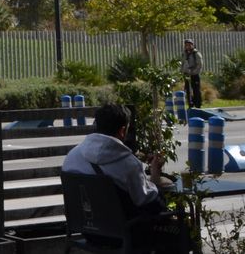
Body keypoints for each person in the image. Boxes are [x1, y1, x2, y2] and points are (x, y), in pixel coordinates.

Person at [61, 103, 189, 251]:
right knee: (183, 231)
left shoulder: (72, 156)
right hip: (123, 235)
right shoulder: (128, 163)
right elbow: (151, 205)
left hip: (88, 232)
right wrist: (155, 174)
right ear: (122, 130)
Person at [181, 39, 204, 108]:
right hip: (187, 75)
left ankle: (198, 105)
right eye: (186, 45)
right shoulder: (184, 53)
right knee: (188, 90)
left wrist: (194, 72)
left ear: (192, 45)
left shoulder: (196, 53)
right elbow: (182, 63)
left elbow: (200, 65)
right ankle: (190, 105)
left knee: (196, 90)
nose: (187, 46)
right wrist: (182, 71)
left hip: (194, 75)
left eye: (189, 44)